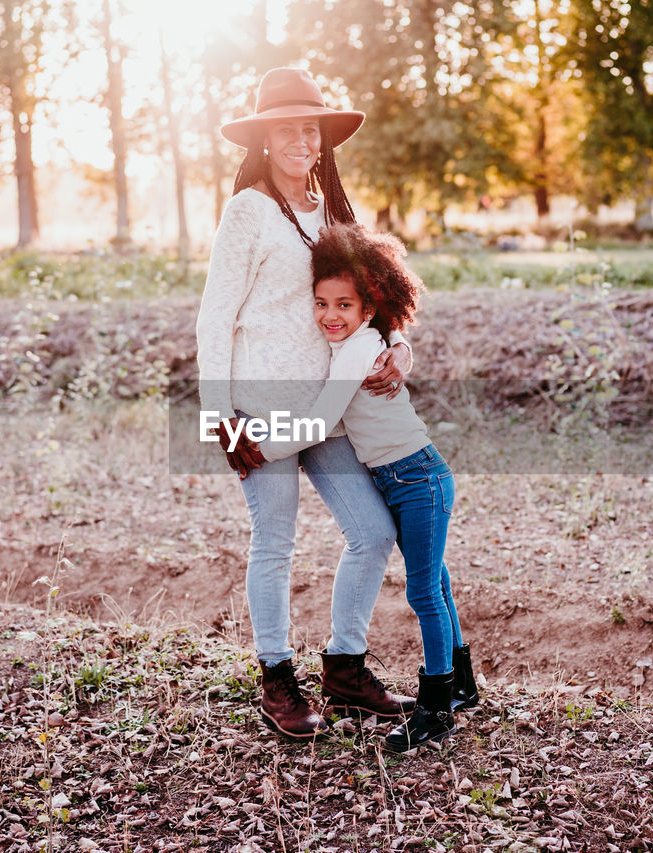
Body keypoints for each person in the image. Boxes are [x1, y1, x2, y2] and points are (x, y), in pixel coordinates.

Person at [196, 67, 416, 739]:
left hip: (325, 407)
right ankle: (276, 675)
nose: (300, 139)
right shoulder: (248, 211)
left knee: (374, 531)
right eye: (285, 127)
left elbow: (375, 291)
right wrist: (220, 420)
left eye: (309, 127)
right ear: (264, 139)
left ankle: (345, 668)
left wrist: (399, 346)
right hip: (260, 408)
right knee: (276, 540)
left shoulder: (331, 210)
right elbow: (213, 319)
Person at [255, 223, 481, 752]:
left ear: (369, 306)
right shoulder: (352, 344)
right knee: (438, 584)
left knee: (425, 591)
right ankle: (463, 683)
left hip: (417, 479)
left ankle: (436, 706)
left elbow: (320, 422)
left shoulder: (359, 351)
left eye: (343, 305)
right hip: (402, 478)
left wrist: (256, 450)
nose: (329, 315)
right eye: (320, 303)